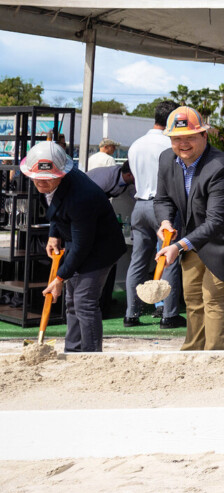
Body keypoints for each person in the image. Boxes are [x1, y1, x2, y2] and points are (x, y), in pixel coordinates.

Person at [153, 106, 224, 352]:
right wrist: (165, 222)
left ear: (204, 136)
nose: (183, 144)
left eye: (190, 137)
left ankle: (215, 358)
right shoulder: (166, 160)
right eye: (177, 139)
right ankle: (192, 353)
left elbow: (217, 222)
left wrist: (177, 246)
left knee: (215, 300)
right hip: (195, 240)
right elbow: (162, 199)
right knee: (192, 298)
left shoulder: (223, 168)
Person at [23, 142, 125, 352]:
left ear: (61, 174)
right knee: (71, 301)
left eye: (48, 179)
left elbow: (82, 246)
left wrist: (59, 278)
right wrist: (53, 235)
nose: (41, 182)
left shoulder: (81, 197)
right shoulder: (50, 181)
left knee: (84, 301)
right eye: (37, 178)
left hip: (100, 248)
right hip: (79, 241)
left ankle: (90, 355)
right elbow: (55, 208)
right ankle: (73, 349)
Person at [126, 101, 183, 329]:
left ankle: (131, 314)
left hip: (139, 205)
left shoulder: (136, 144)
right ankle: (168, 315)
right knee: (169, 260)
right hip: (163, 207)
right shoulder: (169, 145)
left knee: (137, 261)